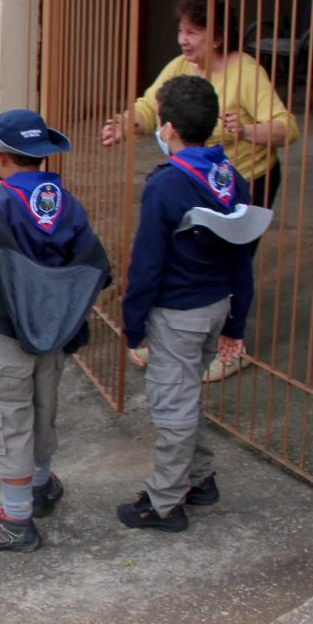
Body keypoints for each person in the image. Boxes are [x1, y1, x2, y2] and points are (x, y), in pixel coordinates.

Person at [101, 0, 297, 382]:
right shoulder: (180, 66)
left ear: (219, 37)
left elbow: (286, 127)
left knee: (231, 261)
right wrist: (127, 124)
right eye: (181, 30)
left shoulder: (246, 71)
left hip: (243, 179)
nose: (183, 40)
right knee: (191, 258)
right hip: (194, 179)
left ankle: (231, 344)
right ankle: (186, 334)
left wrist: (245, 130)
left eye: (193, 32)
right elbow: (148, 104)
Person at [0, 110, 110, 552]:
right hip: (54, 334)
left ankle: (16, 522)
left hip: (6, 334)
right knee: (42, 408)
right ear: (39, 156)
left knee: (7, 418)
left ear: (1, 157)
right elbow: (100, 268)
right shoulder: (68, 203)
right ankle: (41, 487)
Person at [118, 76, 271, 533]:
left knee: (173, 407)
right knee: (187, 395)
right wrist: (237, 319)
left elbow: (147, 262)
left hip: (177, 315)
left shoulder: (167, 186)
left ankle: (165, 503)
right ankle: (200, 479)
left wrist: (133, 322)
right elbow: (243, 258)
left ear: (167, 128)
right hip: (218, 305)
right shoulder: (232, 180)